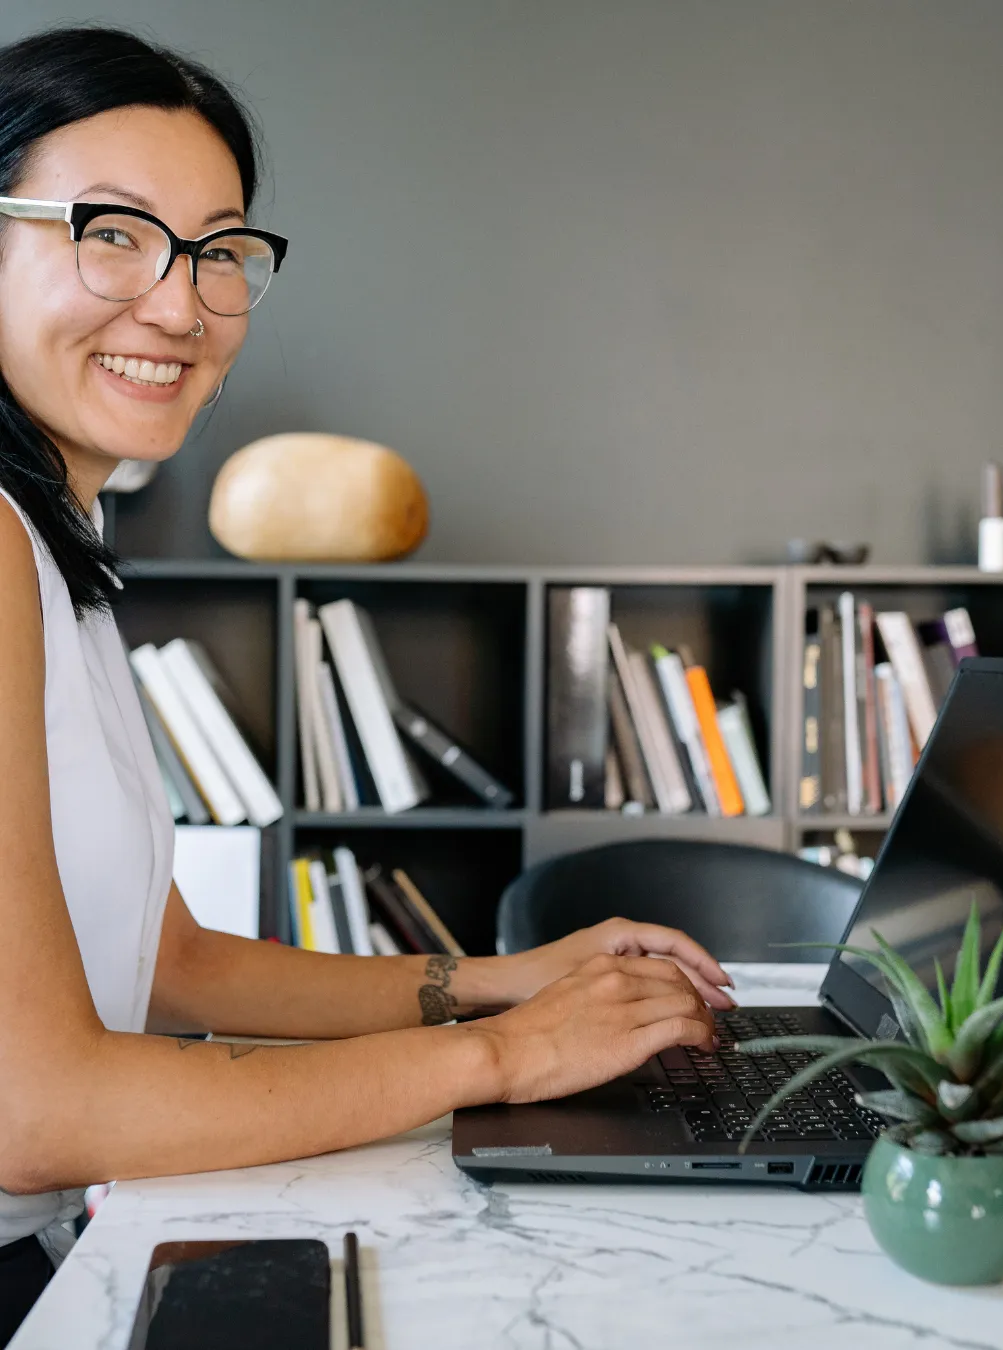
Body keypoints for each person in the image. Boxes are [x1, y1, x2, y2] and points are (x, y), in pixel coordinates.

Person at [0, 25, 735, 1345]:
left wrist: (503, 978)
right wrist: (512, 1054)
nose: (180, 303)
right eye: (111, 231)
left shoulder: (56, 536)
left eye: (218, 249)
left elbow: (172, 961)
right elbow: (36, 1114)